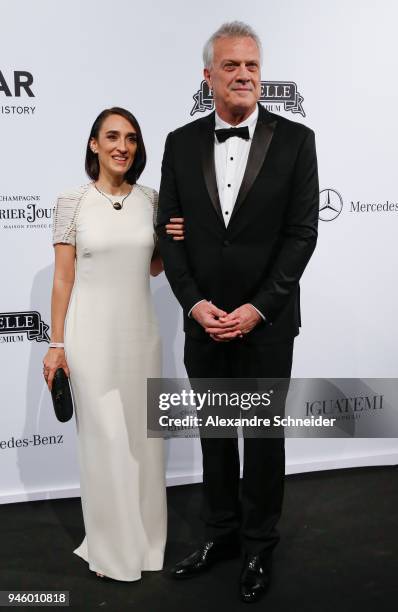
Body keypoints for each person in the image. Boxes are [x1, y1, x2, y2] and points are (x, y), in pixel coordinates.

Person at [157, 22, 319, 603]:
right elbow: (169, 235)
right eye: (231, 66)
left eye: (252, 65)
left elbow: (301, 236)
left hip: (267, 323)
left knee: (263, 440)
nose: (245, 75)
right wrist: (196, 304)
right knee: (216, 438)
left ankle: (258, 547)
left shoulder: (297, 141)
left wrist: (256, 308)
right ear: (208, 76)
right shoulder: (179, 143)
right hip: (203, 321)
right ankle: (220, 536)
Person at [42, 107, 184, 581]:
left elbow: (153, 266)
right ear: (94, 144)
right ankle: (110, 550)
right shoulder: (72, 202)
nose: (123, 146)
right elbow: (64, 280)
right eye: (112, 137)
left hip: (141, 335)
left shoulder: (152, 199)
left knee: (145, 444)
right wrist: (55, 344)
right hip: (90, 338)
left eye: (131, 138)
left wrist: (174, 238)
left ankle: (145, 546)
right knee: (104, 443)